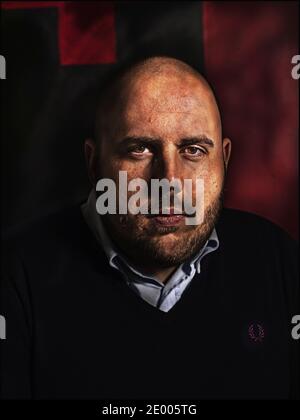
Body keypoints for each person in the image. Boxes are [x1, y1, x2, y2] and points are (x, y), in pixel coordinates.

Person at [1, 56, 299, 400]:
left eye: (193, 150)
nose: (169, 181)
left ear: (224, 161)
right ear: (94, 164)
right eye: (139, 149)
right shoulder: (15, 279)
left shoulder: (279, 263)